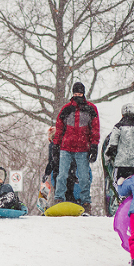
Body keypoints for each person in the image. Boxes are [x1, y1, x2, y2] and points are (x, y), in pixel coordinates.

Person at [51, 82, 99, 213]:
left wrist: (94, 145)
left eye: (80, 93)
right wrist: (55, 144)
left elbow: (95, 128)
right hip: (66, 147)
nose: (78, 96)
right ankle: (58, 199)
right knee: (61, 175)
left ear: (84, 94)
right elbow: (59, 128)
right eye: (75, 93)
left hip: (83, 148)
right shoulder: (66, 109)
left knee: (84, 177)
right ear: (72, 93)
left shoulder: (91, 109)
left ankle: (86, 202)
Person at [104, 104, 134, 183]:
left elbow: (112, 144)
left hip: (122, 163)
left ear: (122, 115)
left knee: (121, 185)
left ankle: (123, 195)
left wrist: (107, 157)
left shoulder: (118, 127)